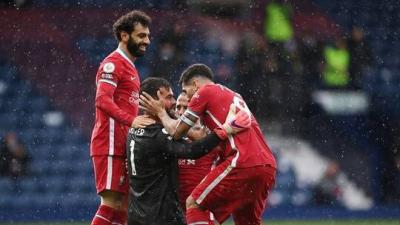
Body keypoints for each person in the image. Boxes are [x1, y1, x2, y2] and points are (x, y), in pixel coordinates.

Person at [140, 64, 277, 225]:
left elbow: (177, 131)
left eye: (186, 91)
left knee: (194, 204)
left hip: (241, 161)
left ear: (195, 85)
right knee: (247, 222)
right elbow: (200, 135)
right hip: (267, 165)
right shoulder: (233, 95)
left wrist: (161, 113)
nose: (188, 97)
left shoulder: (204, 92)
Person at [127, 77, 250, 225]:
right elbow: (191, 150)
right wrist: (225, 130)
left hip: (139, 213)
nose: (175, 106)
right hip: (162, 215)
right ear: (154, 101)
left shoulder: (135, 130)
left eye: (186, 108)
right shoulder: (160, 135)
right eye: (170, 98)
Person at [89, 10, 155, 225]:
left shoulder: (131, 67)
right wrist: (131, 120)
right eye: (141, 35)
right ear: (124, 35)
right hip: (109, 144)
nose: (147, 40)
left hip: (123, 146)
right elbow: (102, 100)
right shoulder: (113, 63)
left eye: (148, 36)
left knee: (125, 207)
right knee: (111, 203)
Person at [175, 93, 217, 224]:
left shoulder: (211, 135)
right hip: (173, 210)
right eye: (178, 107)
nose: (181, 112)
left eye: (186, 108)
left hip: (200, 209)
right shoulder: (169, 136)